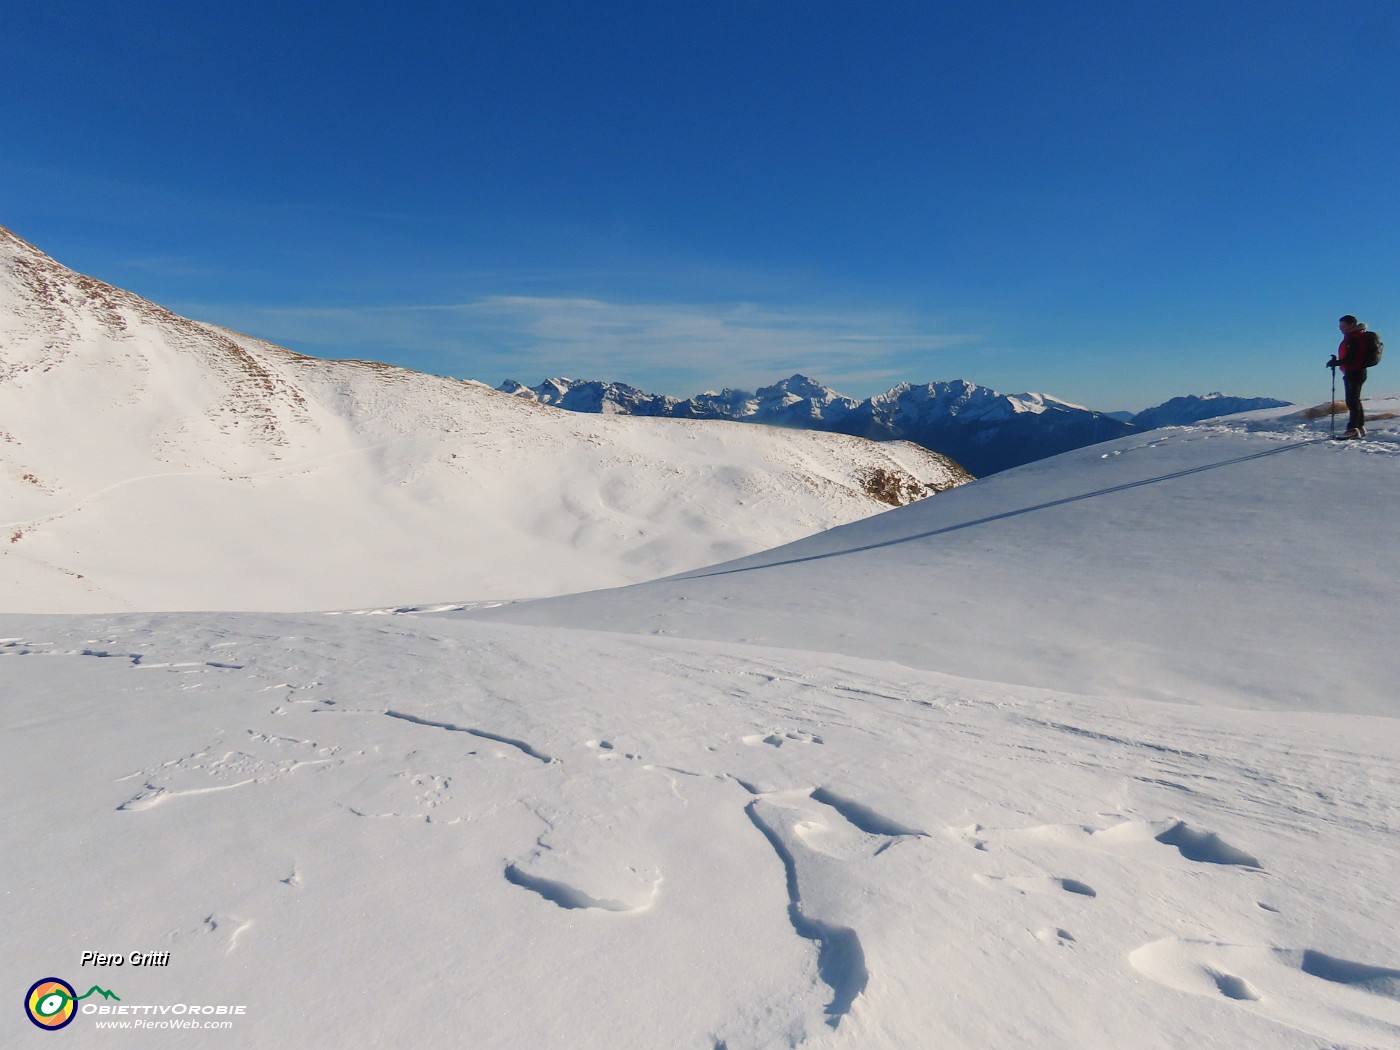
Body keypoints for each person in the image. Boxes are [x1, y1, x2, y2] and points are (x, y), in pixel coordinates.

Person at [1328, 315, 1376, 439]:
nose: (1341, 328)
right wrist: (1338, 361)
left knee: (1352, 401)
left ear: (1351, 325)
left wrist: (1336, 362)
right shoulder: (1355, 337)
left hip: (1354, 371)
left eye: (1343, 326)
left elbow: (1351, 358)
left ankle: (1353, 429)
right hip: (1357, 371)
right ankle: (1359, 427)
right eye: (1340, 326)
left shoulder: (1354, 338)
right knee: (1355, 400)